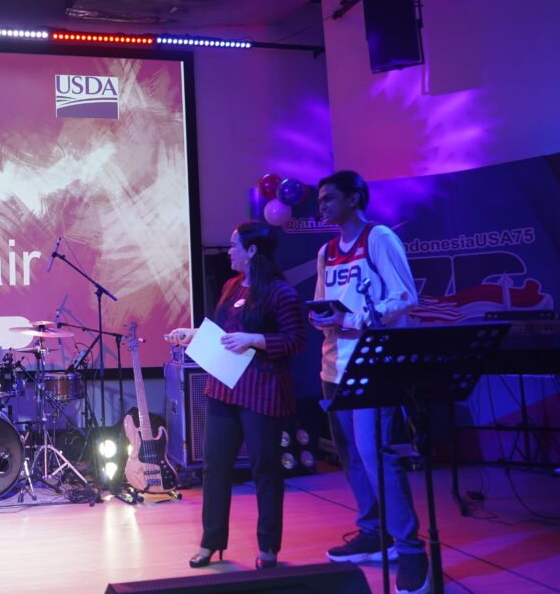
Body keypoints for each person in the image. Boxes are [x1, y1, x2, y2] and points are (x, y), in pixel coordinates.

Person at [309, 170, 428, 594]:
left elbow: (405, 296)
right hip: (334, 366)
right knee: (351, 456)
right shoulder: (326, 251)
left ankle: (411, 549)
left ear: (354, 198)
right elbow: (323, 302)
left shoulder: (378, 238)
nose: (322, 206)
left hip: (372, 365)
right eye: (319, 200)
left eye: (329, 198)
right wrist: (322, 316)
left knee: (375, 454)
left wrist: (353, 319)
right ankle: (374, 531)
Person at [166, 221, 305, 571]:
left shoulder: (280, 293)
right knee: (214, 467)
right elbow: (226, 334)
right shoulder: (231, 286)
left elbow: (295, 341)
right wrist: (194, 334)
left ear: (252, 251)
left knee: (265, 470)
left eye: (234, 245)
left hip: (262, 391)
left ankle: (268, 548)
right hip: (224, 388)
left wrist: (255, 339)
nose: (229, 251)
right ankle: (210, 542)